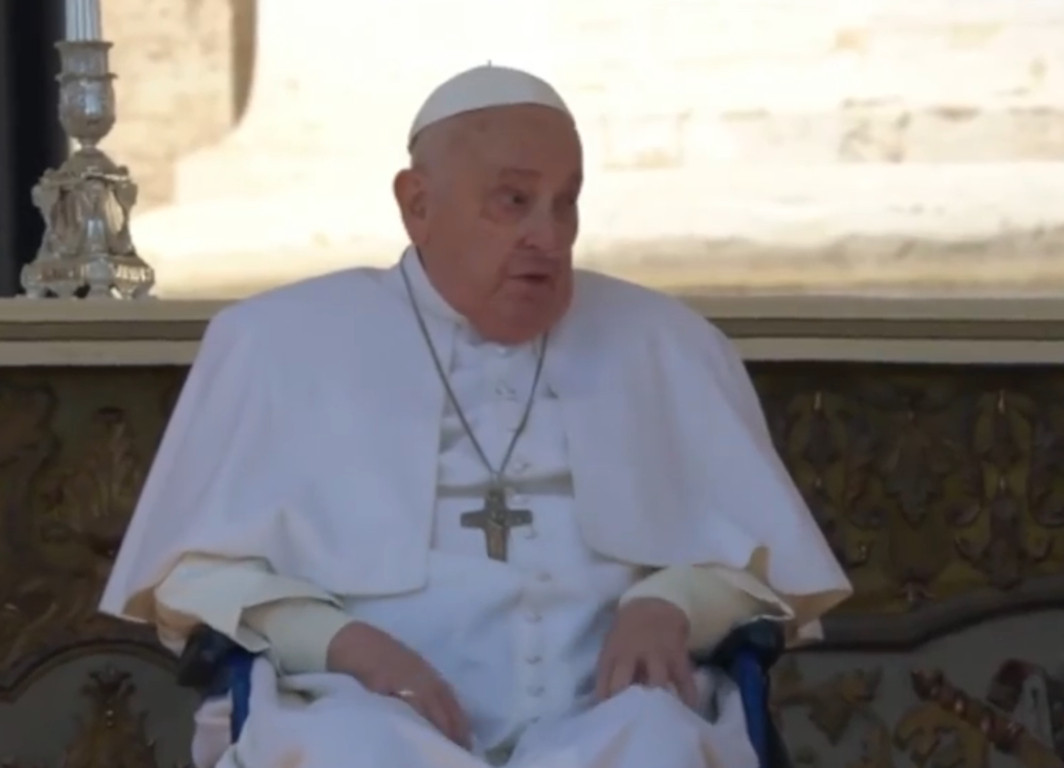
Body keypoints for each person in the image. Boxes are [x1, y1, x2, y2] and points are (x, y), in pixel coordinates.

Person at [100, 64, 852, 768]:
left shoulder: (667, 342)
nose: (548, 238)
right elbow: (193, 577)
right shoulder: (276, 342)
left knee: (661, 741)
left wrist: (673, 602)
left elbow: (765, 569)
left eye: (566, 202)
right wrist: (343, 644)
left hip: (609, 719)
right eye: (514, 201)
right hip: (357, 707)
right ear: (417, 205)